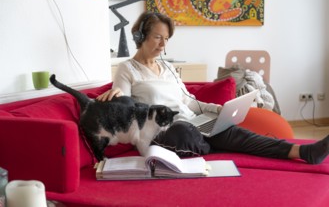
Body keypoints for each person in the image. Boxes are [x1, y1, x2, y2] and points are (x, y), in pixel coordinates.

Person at [97, 11, 329, 164]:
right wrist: (118, 97)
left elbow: (189, 101)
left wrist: (219, 110)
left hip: (191, 123)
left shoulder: (167, 67)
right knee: (184, 132)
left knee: (233, 131)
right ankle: (210, 144)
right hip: (164, 132)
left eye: (166, 39)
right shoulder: (127, 69)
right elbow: (126, 108)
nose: (163, 44)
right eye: (158, 37)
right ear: (141, 35)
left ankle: (301, 152)